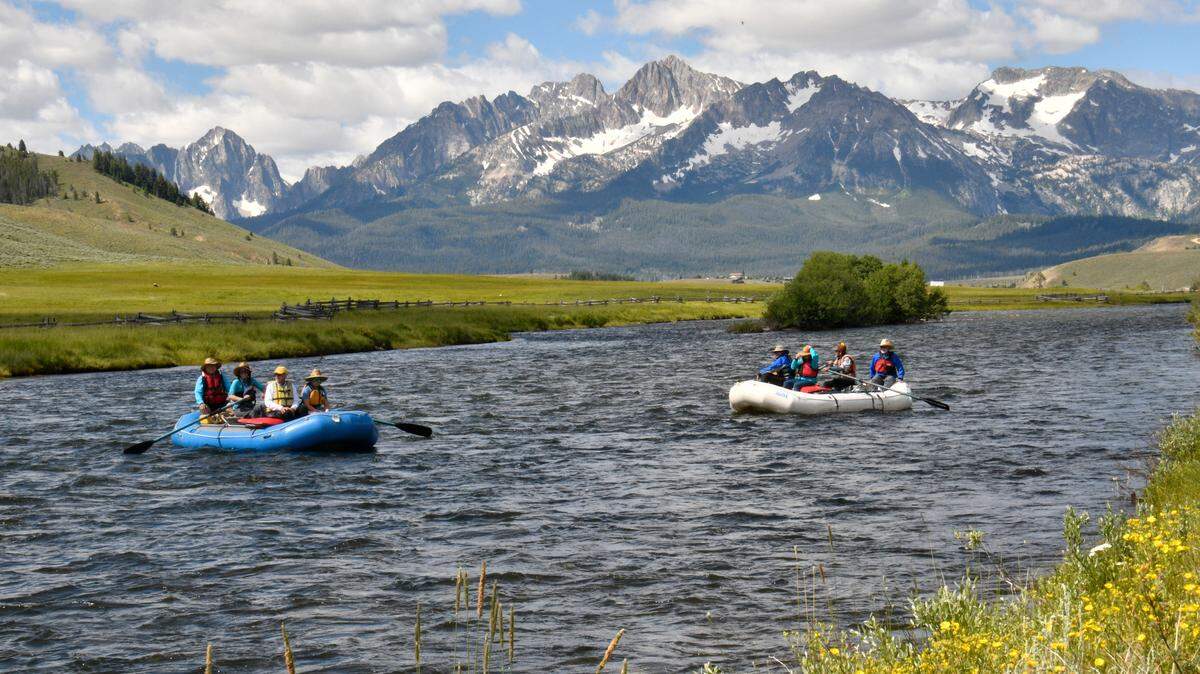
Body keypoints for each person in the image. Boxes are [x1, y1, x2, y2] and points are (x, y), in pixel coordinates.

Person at [194, 357, 230, 424]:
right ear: (205, 368)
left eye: (213, 366)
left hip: (222, 404)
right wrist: (201, 403)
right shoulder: (202, 378)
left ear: (216, 367)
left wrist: (230, 396)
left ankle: (223, 419)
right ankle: (210, 421)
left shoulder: (222, 377)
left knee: (230, 407)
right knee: (203, 409)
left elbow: (230, 389)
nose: (211, 368)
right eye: (209, 366)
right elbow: (198, 392)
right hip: (208, 405)